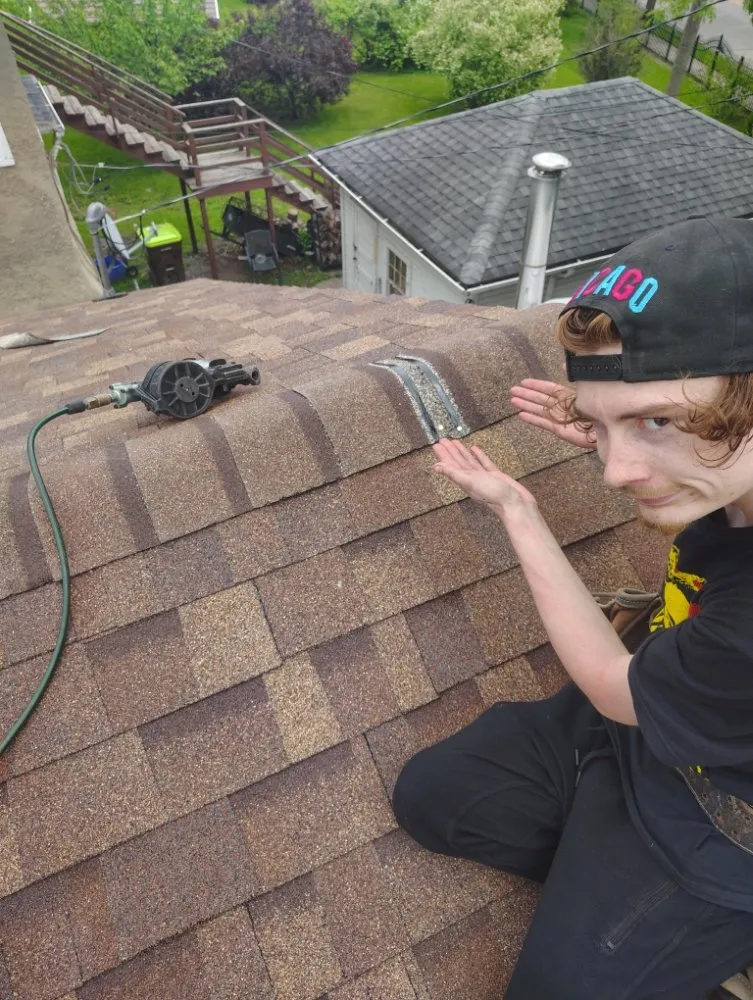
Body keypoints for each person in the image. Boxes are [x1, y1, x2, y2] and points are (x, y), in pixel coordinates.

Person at [392, 217, 753, 1000]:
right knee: (435, 798)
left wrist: (518, 511)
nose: (616, 472)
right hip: (653, 719)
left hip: (718, 819)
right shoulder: (730, 463)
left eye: (661, 419)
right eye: (599, 423)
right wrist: (624, 420)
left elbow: (612, 687)